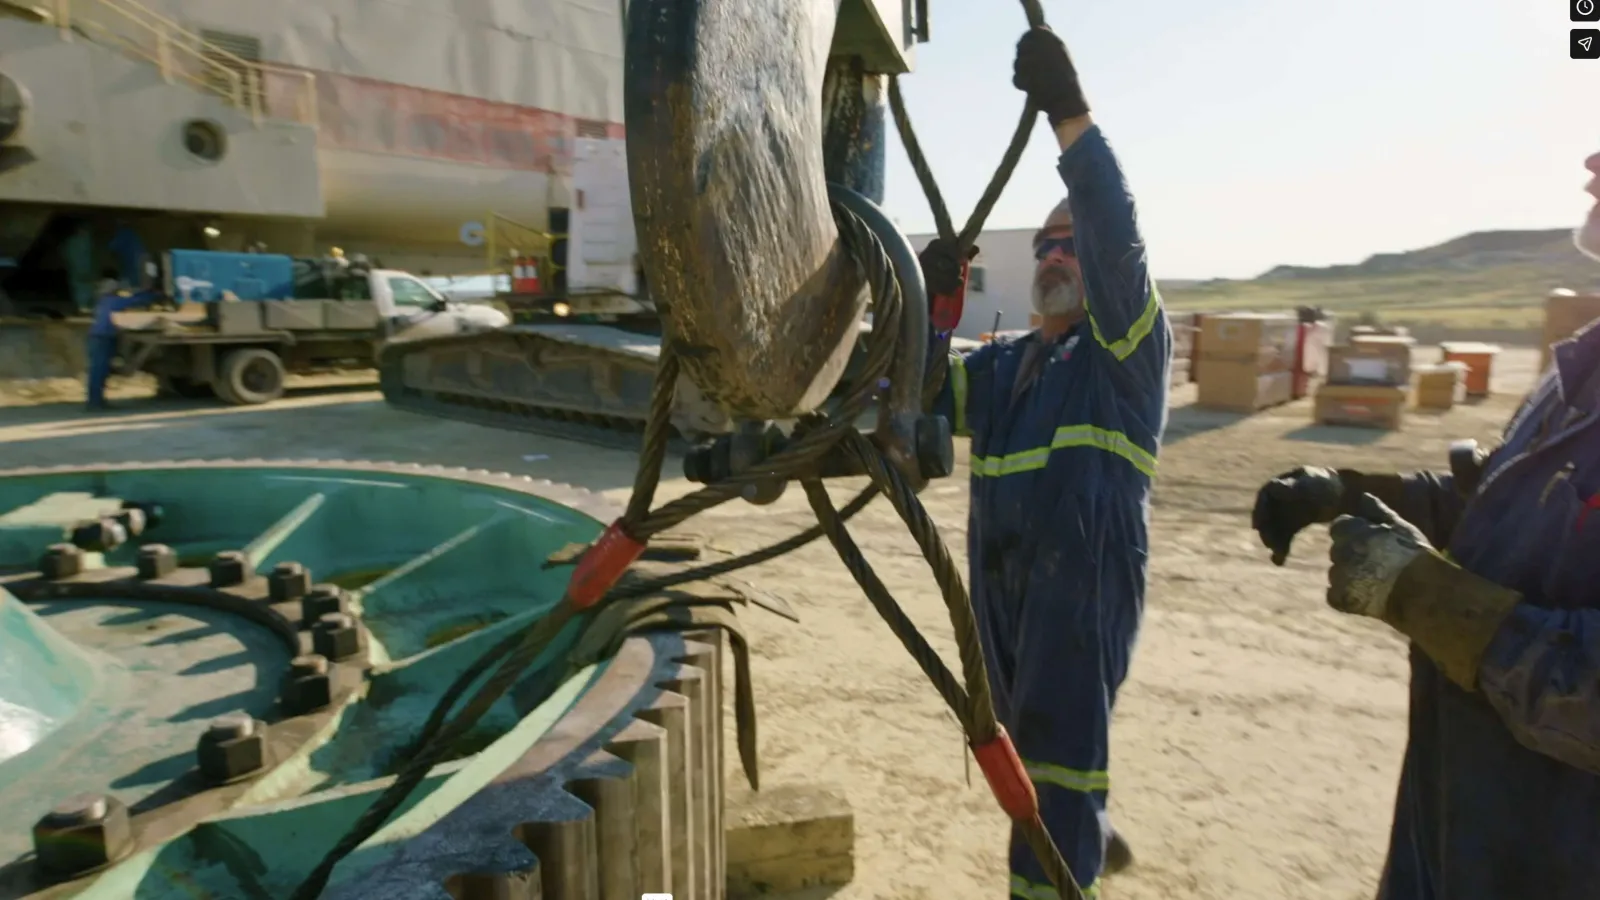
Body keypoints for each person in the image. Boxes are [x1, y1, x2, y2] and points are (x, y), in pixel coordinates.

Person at [1249, 148, 1600, 899]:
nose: (1592, 158)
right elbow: (1499, 512)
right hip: (1448, 836)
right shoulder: (1579, 369)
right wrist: (1344, 490)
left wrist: (1425, 599)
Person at [921, 26, 1172, 899]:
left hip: (1082, 590)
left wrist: (1070, 118)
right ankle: (1088, 843)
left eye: (1069, 244)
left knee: (1055, 780)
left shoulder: (1123, 359)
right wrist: (929, 301)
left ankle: (1068, 873)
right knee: (1026, 761)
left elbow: (1117, 240)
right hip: (1005, 595)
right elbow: (912, 394)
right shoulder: (1007, 367)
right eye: (1044, 245)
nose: (1056, 254)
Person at [86, 269, 161, 411]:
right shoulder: (112, 301)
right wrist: (153, 294)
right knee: (99, 370)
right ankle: (95, 403)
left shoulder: (103, 301)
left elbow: (129, 299)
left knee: (98, 370)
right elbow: (133, 300)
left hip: (98, 337)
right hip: (103, 338)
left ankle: (95, 401)